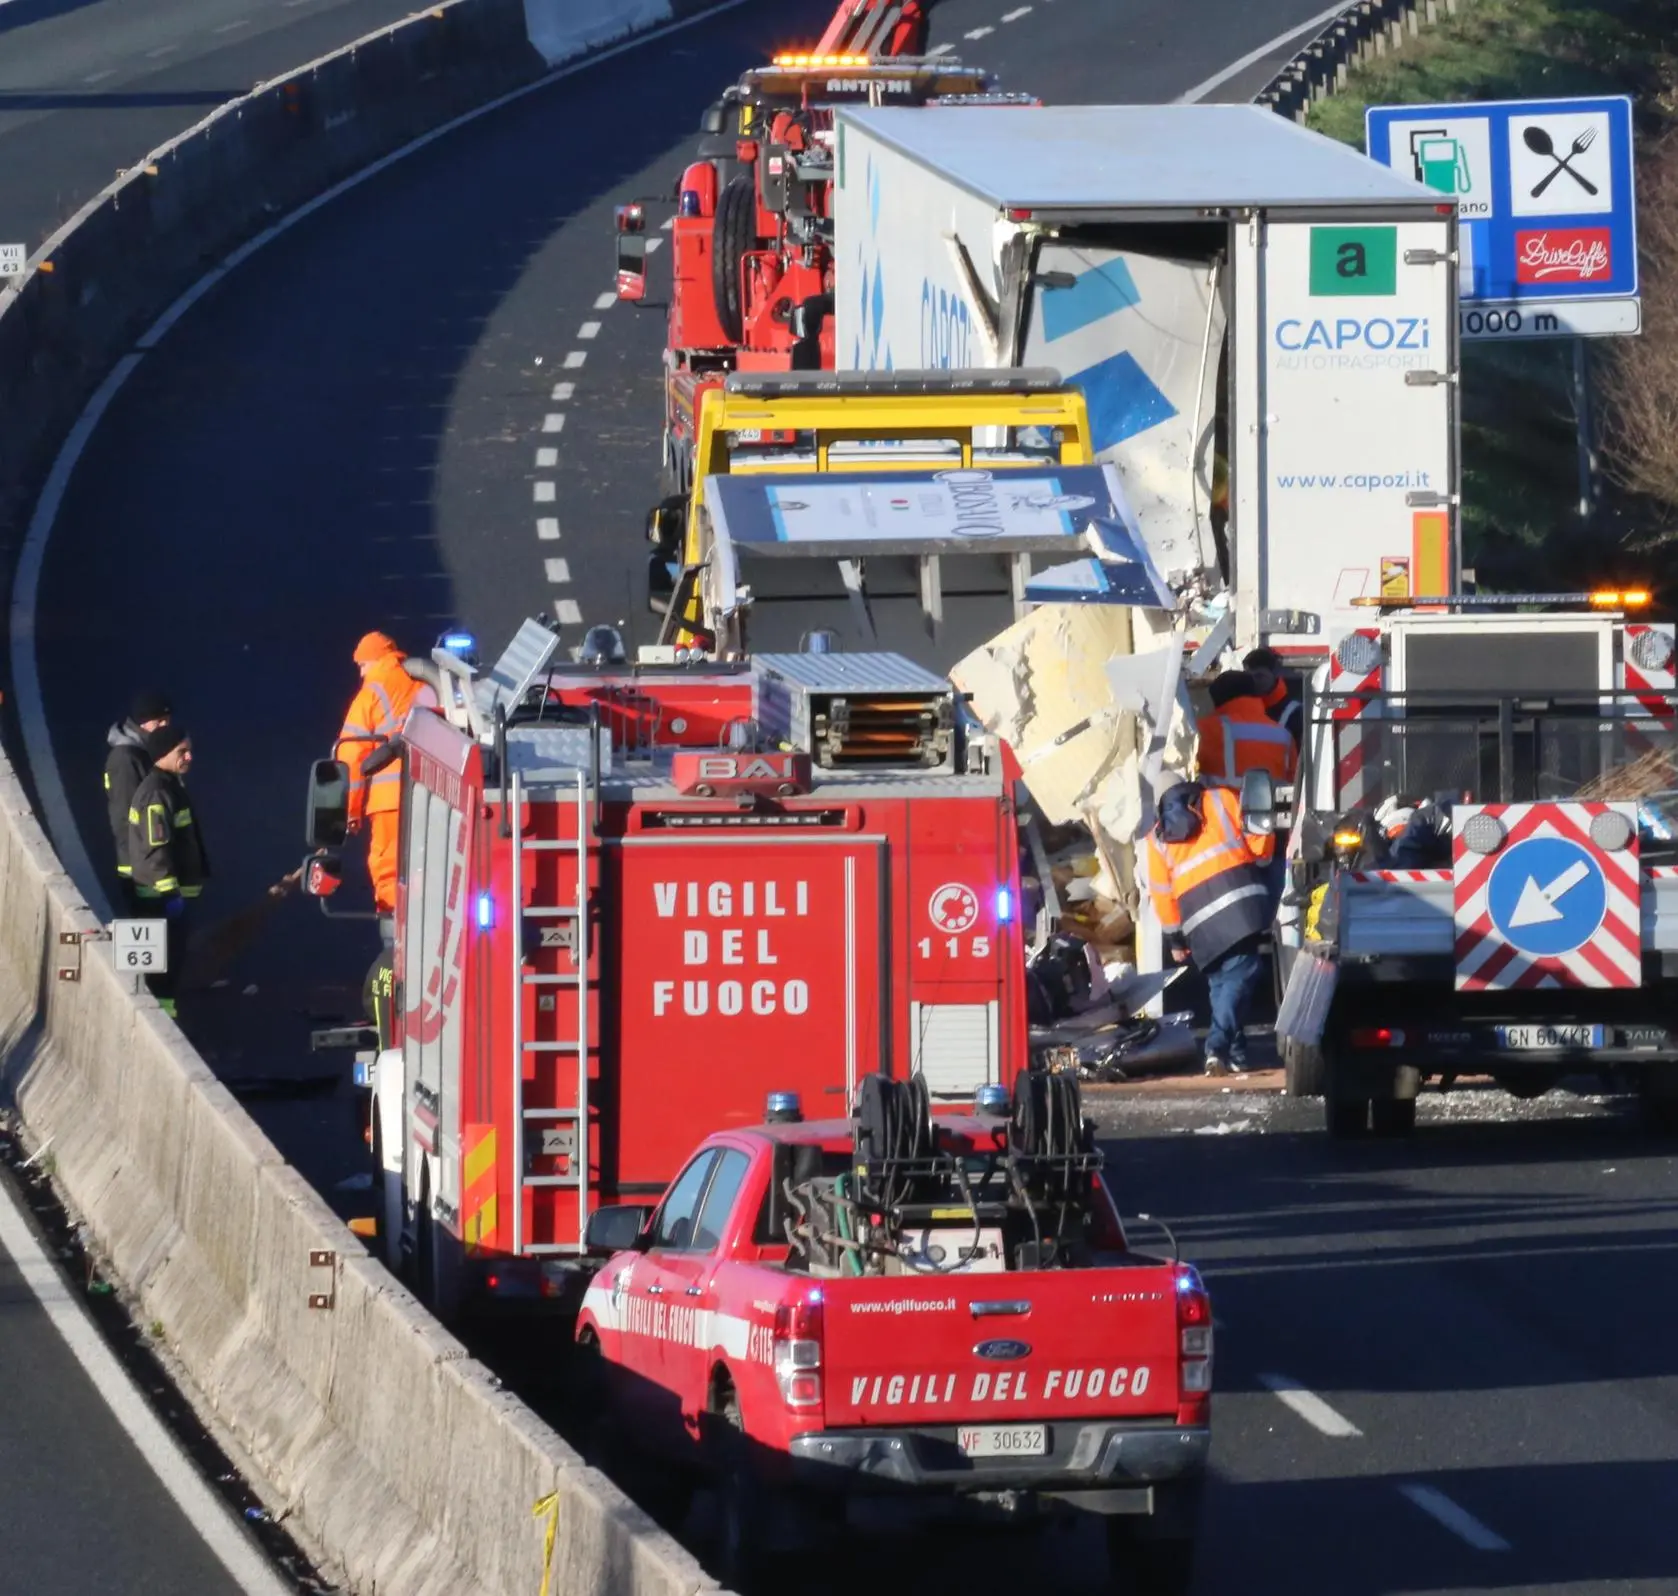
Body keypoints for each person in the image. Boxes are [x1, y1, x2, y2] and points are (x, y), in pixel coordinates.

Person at [1145, 779, 1274, 1076]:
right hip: (1239, 904)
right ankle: (1216, 1047)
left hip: (1197, 919)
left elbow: (1161, 891)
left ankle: (1236, 1055)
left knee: (1222, 984)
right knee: (1239, 977)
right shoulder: (1223, 799)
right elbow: (1259, 845)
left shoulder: (1157, 837)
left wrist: (1174, 938)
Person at [335, 632, 425, 918]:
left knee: (389, 868)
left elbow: (350, 756)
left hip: (390, 802)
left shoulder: (372, 692)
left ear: (374, 661)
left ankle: (394, 931)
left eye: (362, 665)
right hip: (434, 793)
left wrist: (349, 811)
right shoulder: (422, 681)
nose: (360, 673)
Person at [126, 725, 208, 1017]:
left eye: (189, 750)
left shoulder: (169, 786)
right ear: (163, 754)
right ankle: (162, 1020)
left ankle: (165, 1015)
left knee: (169, 964)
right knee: (162, 968)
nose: (189, 757)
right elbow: (156, 850)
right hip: (158, 901)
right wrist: (169, 892)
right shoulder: (158, 793)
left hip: (166, 899)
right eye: (182, 752)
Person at [104, 689, 171, 914]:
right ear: (143, 721)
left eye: (167, 720)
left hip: (153, 867)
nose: (165, 726)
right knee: (154, 931)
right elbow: (125, 819)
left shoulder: (146, 753)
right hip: (141, 872)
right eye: (159, 720)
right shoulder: (126, 760)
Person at [1196, 670, 1298, 790]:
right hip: (1273, 807)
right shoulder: (1284, 736)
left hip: (1219, 807)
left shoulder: (1204, 729)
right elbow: (1294, 782)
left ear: (1218, 699)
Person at [1242, 647, 1302, 745]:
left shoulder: (1295, 712)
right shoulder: (1244, 710)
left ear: (1274, 674)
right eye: (1249, 677)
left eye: (1260, 676)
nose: (1254, 682)